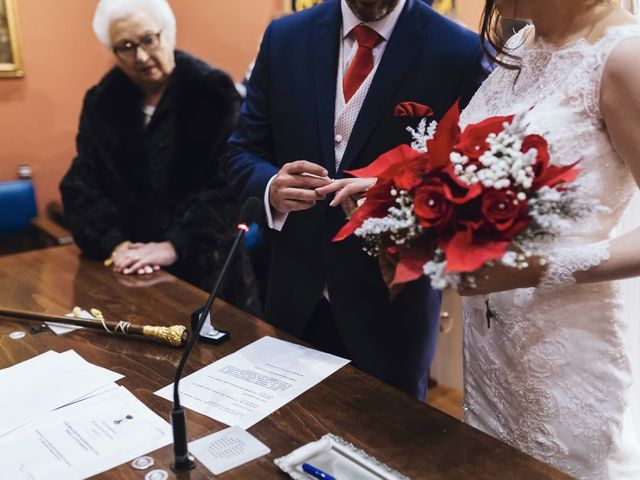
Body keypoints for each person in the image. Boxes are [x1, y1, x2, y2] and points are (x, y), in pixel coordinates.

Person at [225, 0, 488, 400]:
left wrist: (402, 194)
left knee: (391, 451)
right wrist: (271, 186)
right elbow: (239, 152)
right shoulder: (285, 37)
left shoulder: (459, 50)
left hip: (392, 318)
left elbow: (476, 179)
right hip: (295, 300)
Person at [452, 0, 640, 477]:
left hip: (565, 354)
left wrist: (533, 268)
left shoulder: (622, 58)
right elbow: (485, 167)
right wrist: (396, 191)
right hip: (493, 344)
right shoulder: (523, 43)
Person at [60, 0, 259, 314]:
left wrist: (174, 244)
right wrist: (116, 243)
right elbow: (81, 182)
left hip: (207, 272)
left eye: (148, 40)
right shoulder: (101, 101)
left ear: (170, 33)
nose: (140, 57)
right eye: (125, 47)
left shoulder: (212, 92)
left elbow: (228, 185)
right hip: (131, 271)